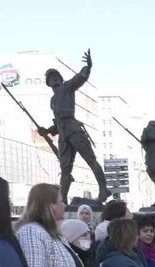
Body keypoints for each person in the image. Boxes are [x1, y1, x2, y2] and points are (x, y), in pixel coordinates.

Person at [38, 50, 111, 203]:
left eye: (56, 76)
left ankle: (104, 189)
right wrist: (47, 131)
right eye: (51, 77)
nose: (55, 78)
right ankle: (62, 200)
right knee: (65, 170)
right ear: (48, 82)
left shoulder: (67, 87)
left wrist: (87, 68)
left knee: (90, 160)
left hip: (73, 129)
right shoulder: (52, 100)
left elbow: (79, 78)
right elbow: (57, 124)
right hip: (63, 135)